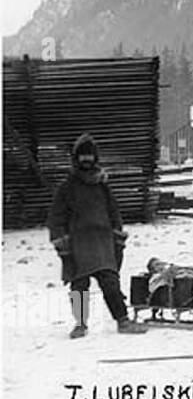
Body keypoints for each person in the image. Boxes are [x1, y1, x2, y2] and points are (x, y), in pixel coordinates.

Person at [46, 134, 147, 337]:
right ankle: (80, 324)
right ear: (76, 159)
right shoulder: (67, 188)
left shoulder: (102, 185)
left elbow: (113, 211)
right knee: (79, 286)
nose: (86, 160)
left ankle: (123, 321)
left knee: (110, 282)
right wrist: (60, 239)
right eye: (82, 156)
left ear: (95, 158)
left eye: (90, 156)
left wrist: (117, 232)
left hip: (103, 242)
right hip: (78, 244)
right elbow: (56, 217)